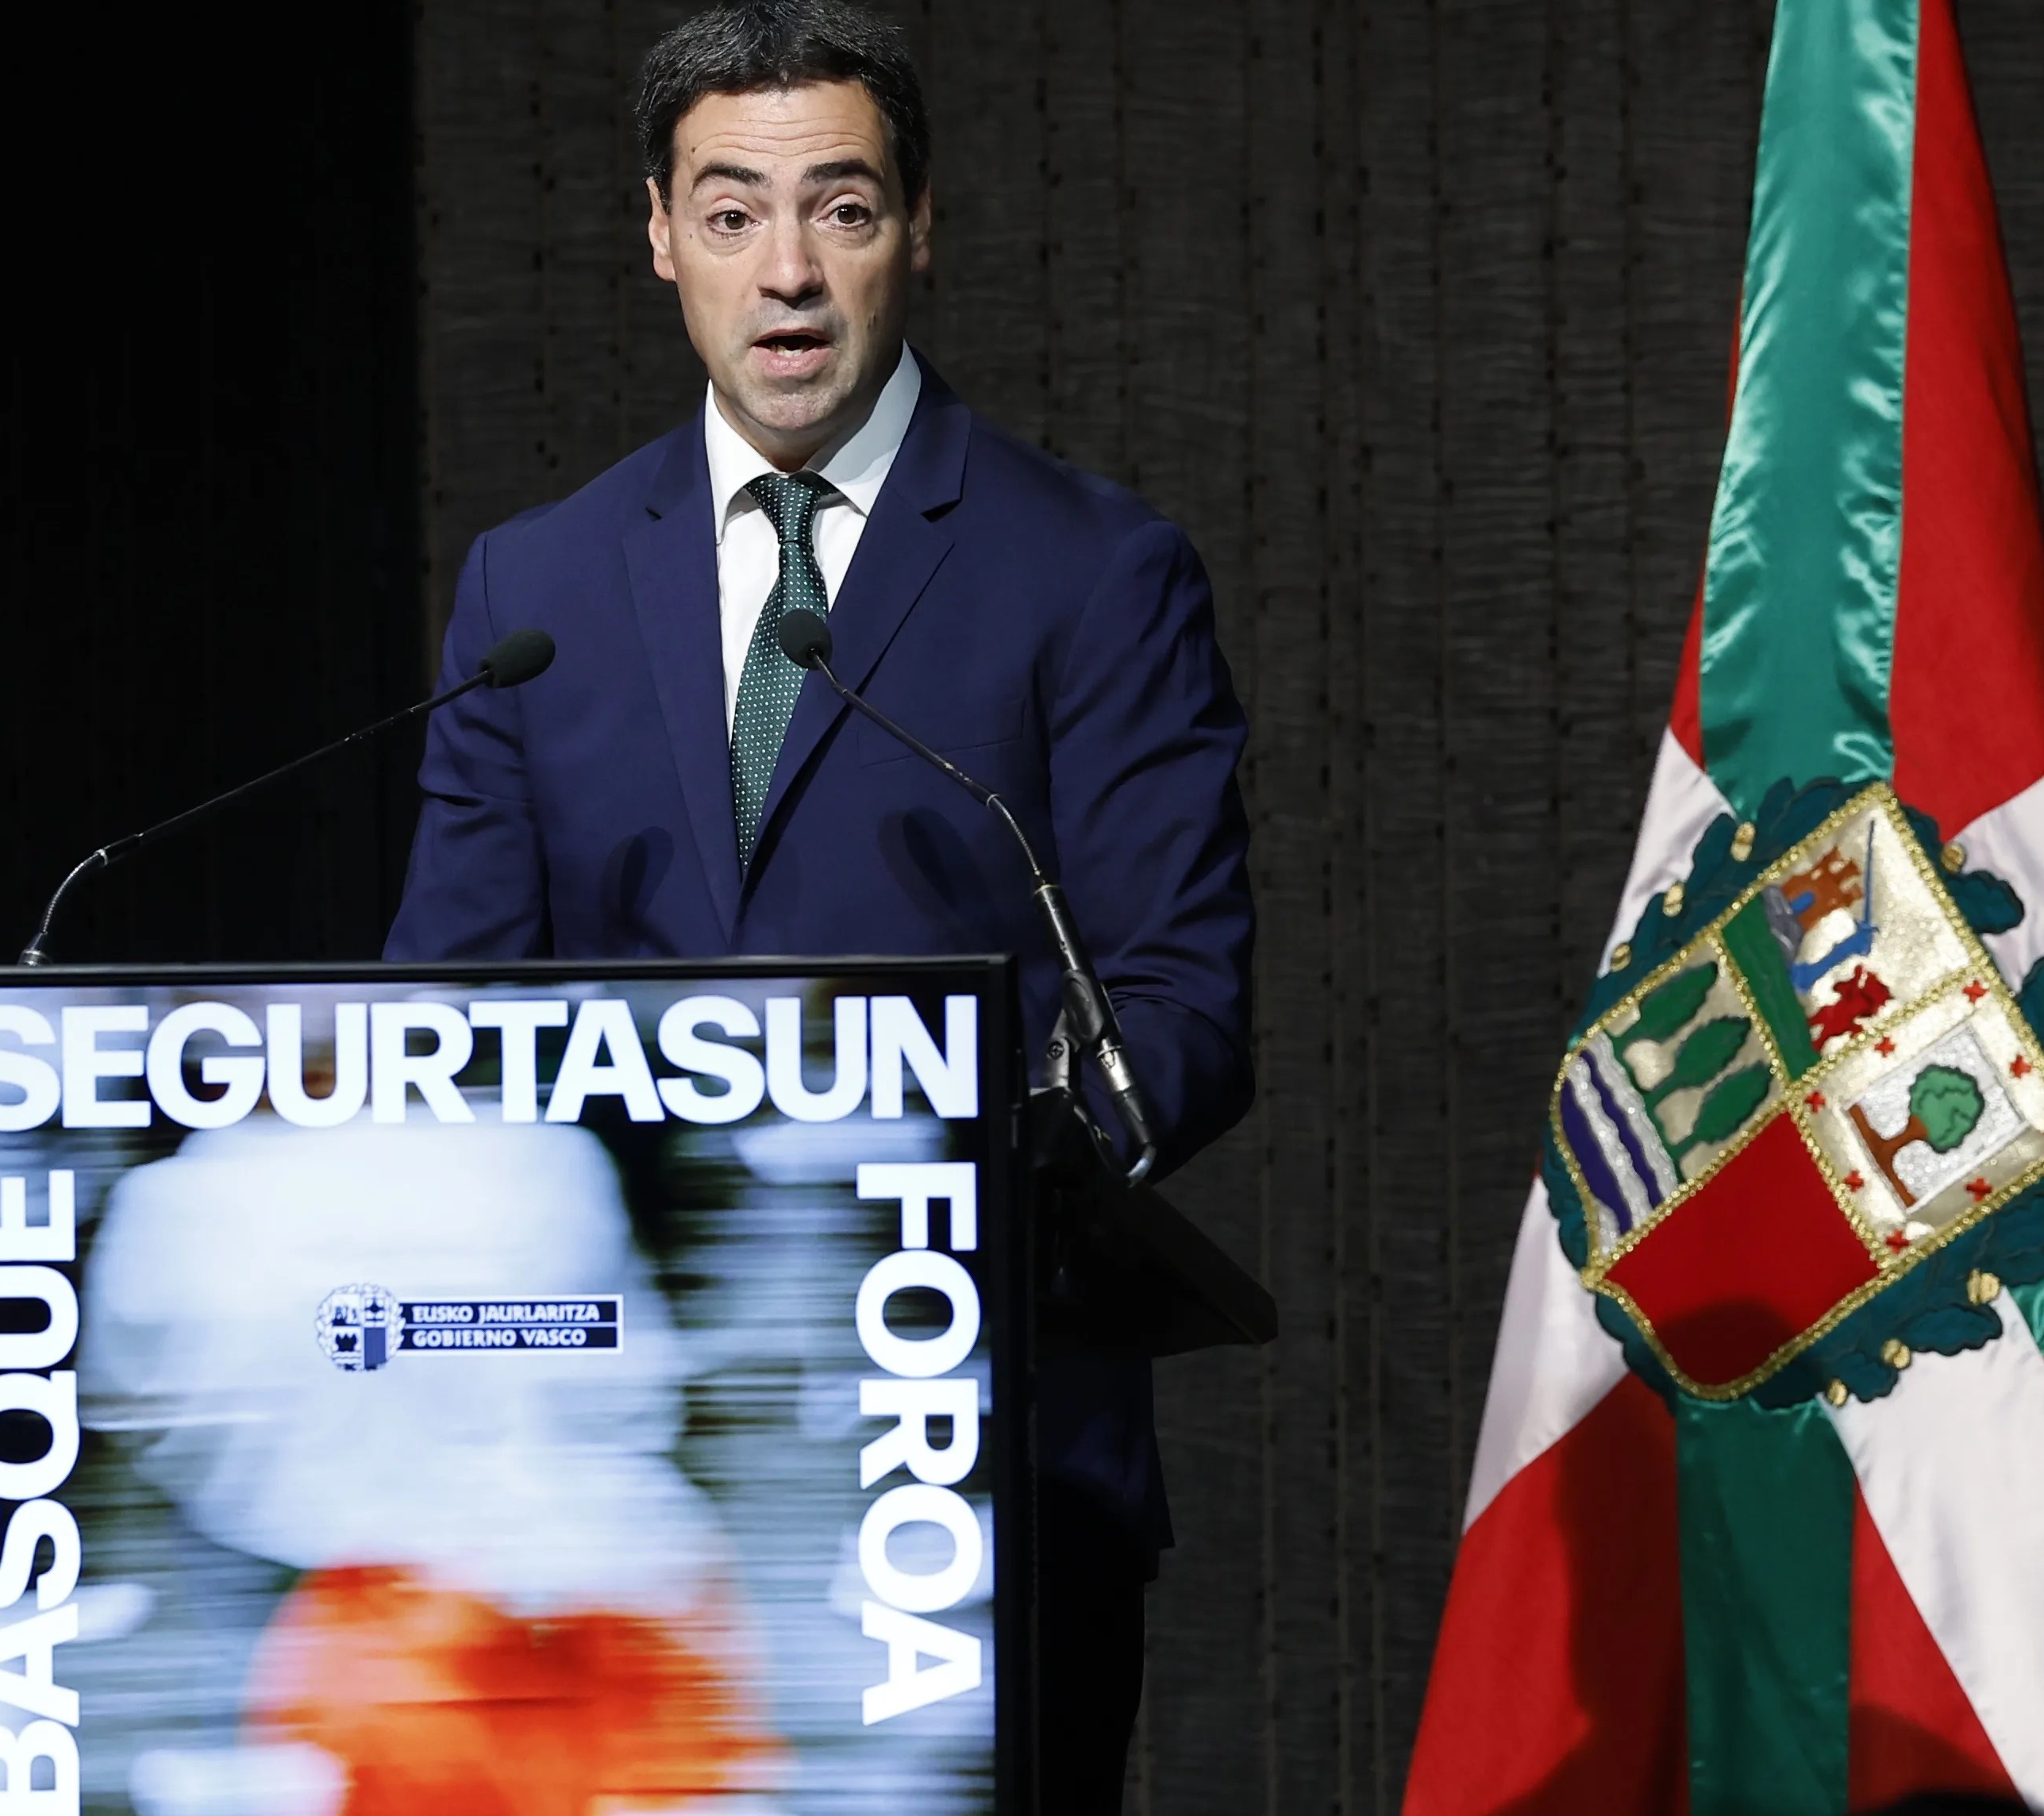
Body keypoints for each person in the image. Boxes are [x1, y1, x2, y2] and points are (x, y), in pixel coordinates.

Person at [381, 2, 1257, 1806]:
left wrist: (944, 1169)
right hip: (617, 1494)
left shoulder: (1092, 572)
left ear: (918, 225)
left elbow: (1177, 1015)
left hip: (984, 1455)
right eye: (731, 212)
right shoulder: (534, 589)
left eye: (840, 208)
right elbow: (444, 1019)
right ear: (658, 236)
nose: (786, 271)